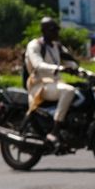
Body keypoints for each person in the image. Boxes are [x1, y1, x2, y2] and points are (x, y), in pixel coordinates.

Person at [24, 17, 84, 145]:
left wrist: (86, 73)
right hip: (39, 85)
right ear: (44, 31)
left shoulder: (57, 46)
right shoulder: (34, 45)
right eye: (53, 30)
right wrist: (59, 68)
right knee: (69, 91)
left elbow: (71, 63)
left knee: (81, 92)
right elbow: (38, 65)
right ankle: (55, 130)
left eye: (57, 29)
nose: (56, 33)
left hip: (55, 84)